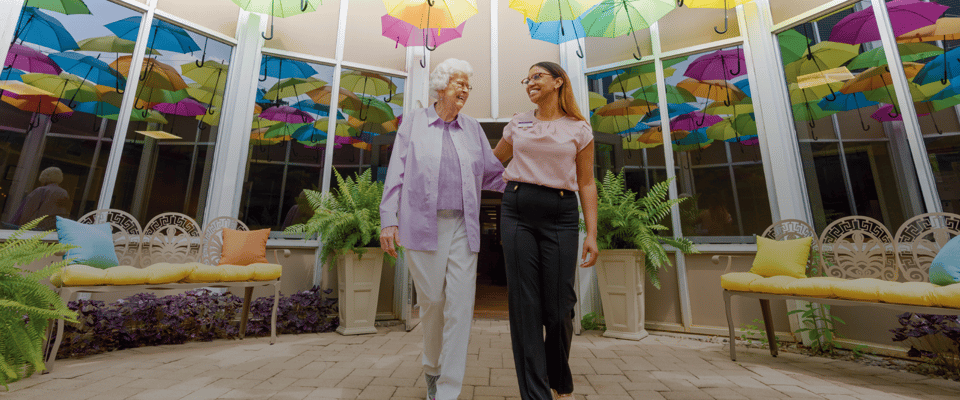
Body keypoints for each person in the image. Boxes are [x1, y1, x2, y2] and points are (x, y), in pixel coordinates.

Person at [379, 58, 506, 400]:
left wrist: (533, 174)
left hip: (463, 226)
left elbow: (494, 174)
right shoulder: (414, 124)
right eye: (458, 83)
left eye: (468, 85)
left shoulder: (473, 128)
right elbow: (396, 174)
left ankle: (448, 389)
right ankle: (432, 368)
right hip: (423, 225)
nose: (465, 90)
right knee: (433, 302)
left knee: (461, 306)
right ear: (440, 87)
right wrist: (388, 218)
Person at [493, 61, 599, 400]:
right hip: (517, 210)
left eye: (537, 76)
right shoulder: (518, 123)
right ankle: (536, 394)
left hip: (561, 215)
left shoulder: (579, 129)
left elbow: (586, 182)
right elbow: (492, 162)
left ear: (558, 82)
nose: (530, 83)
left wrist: (592, 234)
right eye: (527, 79)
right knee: (525, 306)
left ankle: (558, 376)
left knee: (560, 307)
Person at [10, 166, 70, 231]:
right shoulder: (64, 193)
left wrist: (19, 226)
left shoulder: (41, 190)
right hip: (54, 229)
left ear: (44, 177)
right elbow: (65, 212)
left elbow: (27, 211)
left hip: (37, 229)